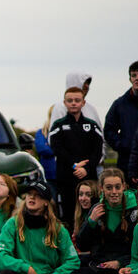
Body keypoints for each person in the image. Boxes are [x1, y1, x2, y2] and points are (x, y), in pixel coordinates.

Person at [0, 181, 80, 274]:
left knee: (85, 273)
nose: (32, 197)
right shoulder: (12, 223)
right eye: (29, 194)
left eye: (37, 195)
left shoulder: (58, 229)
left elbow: (73, 261)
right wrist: (26, 268)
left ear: (46, 202)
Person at [75, 168, 138, 274]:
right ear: (101, 188)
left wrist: (119, 262)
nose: (114, 192)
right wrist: (90, 222)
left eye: (117, 187)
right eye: (109, 188)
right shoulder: (97, 208)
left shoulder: (136, 211)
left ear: (124, 187)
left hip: (126, 264)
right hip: (100, 263)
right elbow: (82, 245)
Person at [48, 86, 104, 225]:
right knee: (67, 214)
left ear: (83, 103)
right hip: (66, 179)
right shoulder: (58, 125)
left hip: (88, 178)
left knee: (90, 213)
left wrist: (87, 168)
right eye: (70, 100)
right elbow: (56, 148)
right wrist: (73, 164)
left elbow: (97, 151)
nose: (73, 103)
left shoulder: (91, 126)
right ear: (65, 103)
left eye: (77, 100)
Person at [105, 61, 138, 184]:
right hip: (127, 161)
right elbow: (109, 130)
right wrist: (123, 145)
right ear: (130, 79)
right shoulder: (119, 104)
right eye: (134, 75)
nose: (137, 78)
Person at [72, 180, 100, 253]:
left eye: (88, 195)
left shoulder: (100, 216)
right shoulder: (80, 215)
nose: (83, 199)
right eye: (80, 194)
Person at [33, 127, 58, 200]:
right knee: (50, 200)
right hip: (49, 176)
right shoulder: (41, 132)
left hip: (66, 175)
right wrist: (60, 149)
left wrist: (50, 146)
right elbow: (43, 149)